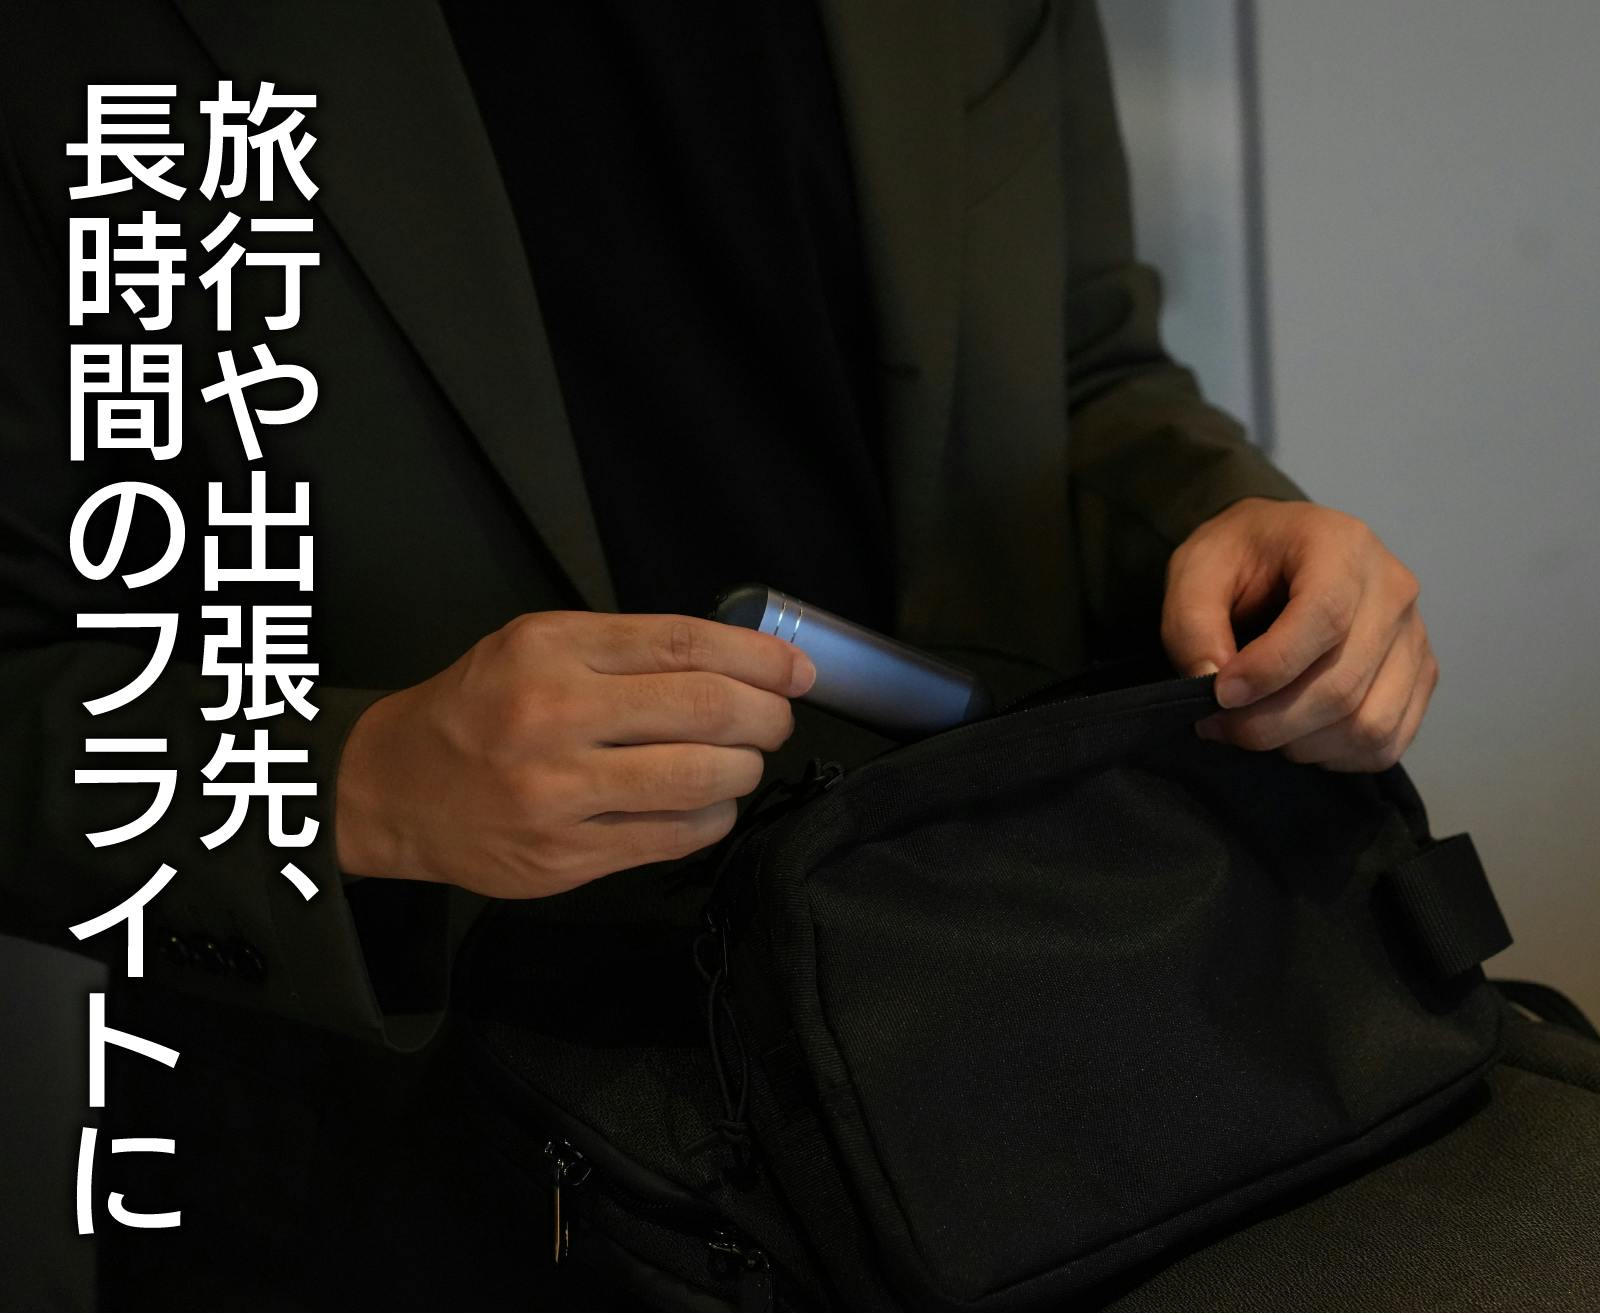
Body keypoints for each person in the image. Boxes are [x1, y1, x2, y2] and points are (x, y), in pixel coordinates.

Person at [6, 2, 1557, 1310]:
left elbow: (1085, 368)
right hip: (431, 1171)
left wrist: (1241, 529)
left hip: (1004, 1077)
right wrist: (359, 778)